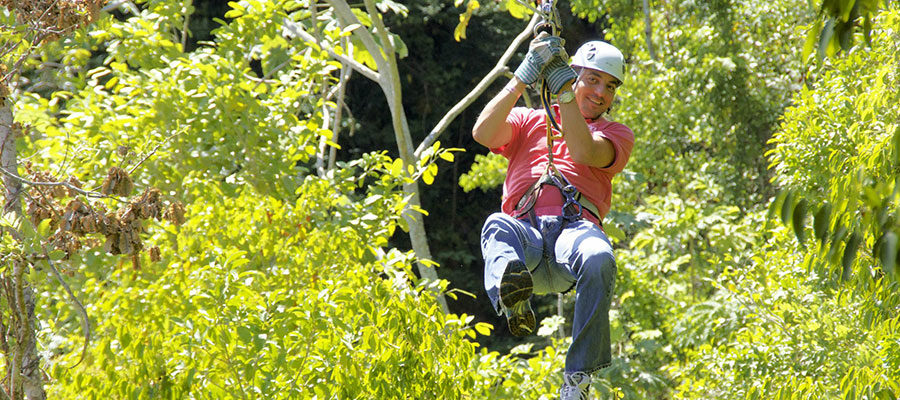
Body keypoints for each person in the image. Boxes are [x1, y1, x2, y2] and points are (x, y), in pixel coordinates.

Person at [472, 34, 633, 400]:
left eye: (609, 86)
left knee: (599, 257)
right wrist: (522, 76)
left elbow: (581, 149)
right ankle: (513, 297)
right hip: (524, 234)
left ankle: (578, 378)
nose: (600, 92)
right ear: (573, 74)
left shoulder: (616, 135)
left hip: (573, 236)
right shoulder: (529, 121)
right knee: (496, 225)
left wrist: (564, 92)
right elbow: (482, 132)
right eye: (591, 79)